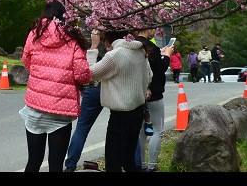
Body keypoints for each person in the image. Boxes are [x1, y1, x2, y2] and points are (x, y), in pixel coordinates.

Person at [19, 0, 93, 173]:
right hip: (60, 112)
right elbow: (82, 75)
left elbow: (26, 60)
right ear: (64, 16)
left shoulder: (35, 34)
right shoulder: (73, 39)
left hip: (36, 108)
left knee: (33, 162)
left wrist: (40, 75)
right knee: (55, 165)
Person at [90, 29, 152, 172]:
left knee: (113, 162)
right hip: (137, 112)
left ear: (109, 38)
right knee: (128, 159)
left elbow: (90, 73)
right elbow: (150, 76)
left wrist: (93, 48)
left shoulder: (114, 55)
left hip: (120, 115)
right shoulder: (141, 51)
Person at [63, 30, 106, 172]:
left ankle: (70, 165)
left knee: (82, 128)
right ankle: (135, 163)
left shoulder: (86, 45)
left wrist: (93, 46)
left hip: (93, 89)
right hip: (114, 89)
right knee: (125, 127)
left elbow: (86, 71)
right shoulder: (116, 44)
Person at [138, 40, 172, 172]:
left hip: (139, 94)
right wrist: (167, 55)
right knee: (157, 130)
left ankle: (141, 164)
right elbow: (160, 68)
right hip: (155, 94)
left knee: (141, 132)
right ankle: (152, 165)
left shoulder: (132, 43)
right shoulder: (150, 47)